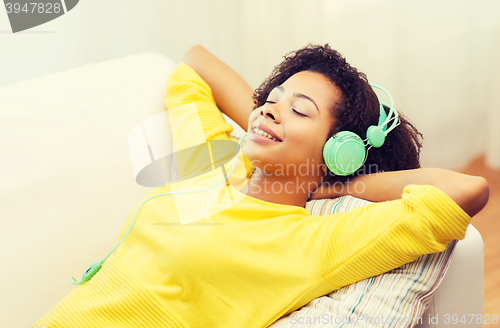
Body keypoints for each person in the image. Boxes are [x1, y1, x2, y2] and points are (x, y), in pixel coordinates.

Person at [33, 44, 489, 328]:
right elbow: (194, 65)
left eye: (301, 111)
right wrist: (274, 118)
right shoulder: (209, 166)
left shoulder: (307, 244)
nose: (269, 110)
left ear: (337, 150)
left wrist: (343, 183)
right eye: (270, 101)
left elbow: (465, 190)